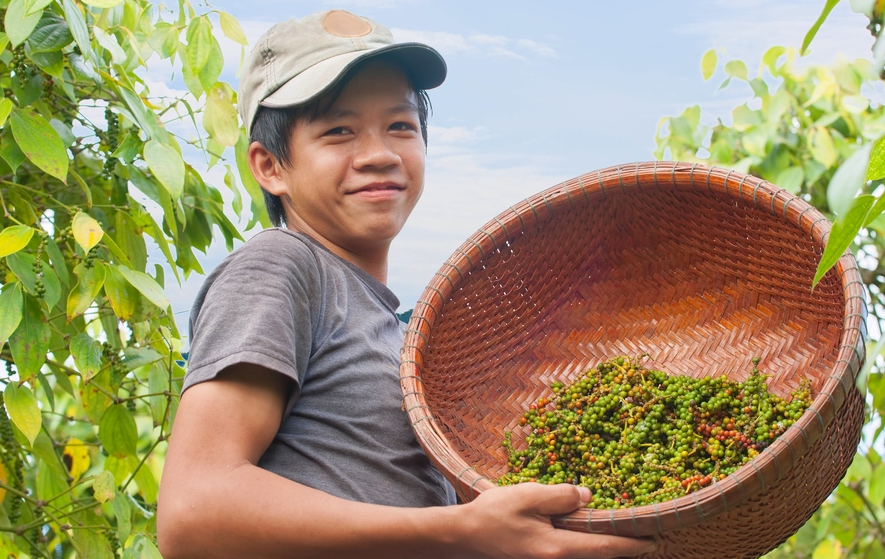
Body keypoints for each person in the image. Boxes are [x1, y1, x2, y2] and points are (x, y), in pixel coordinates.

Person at [157, 9, 659, 559]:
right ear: (271, 166)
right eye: (339, 131)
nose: (379, 155)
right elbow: (193, 511)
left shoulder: (399, 332)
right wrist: (461, 530)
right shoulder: (281, 267)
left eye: (401, 126)